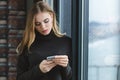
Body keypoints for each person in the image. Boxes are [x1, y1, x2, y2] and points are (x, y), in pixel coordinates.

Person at [16, 1, 72, 80]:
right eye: (37, 24)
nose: (43, 27)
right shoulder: (27, 45)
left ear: (52, 16)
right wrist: (39, 70)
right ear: (33, 25)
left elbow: (72, 77)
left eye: (46, 21)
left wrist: (66, 66)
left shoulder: (67, 42)